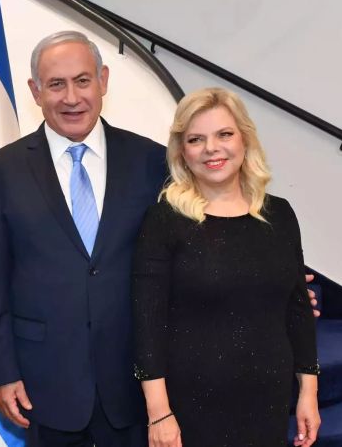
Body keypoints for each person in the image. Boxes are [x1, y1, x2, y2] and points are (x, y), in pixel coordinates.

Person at [0, 30, 168, 446]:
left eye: (82, 80)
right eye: (56, 84)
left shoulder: (151, 161)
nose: (72, 97)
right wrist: (3, 372)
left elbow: (182, 259)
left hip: (135, 379)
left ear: (104, 81)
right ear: (35, 91)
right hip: (44, 381)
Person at [132, 87, 321, 447]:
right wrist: (159, 413)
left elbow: (298, 311)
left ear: (245, 140)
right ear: (183, 152)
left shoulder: (279, 214)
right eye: (196, 139)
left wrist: (308, 391)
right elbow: (147, 323)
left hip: (268, 400)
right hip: (191, 408)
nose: (211, 148)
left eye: (224, 134)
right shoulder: (164, 220)